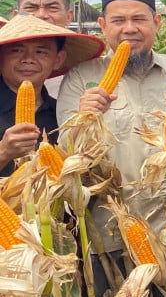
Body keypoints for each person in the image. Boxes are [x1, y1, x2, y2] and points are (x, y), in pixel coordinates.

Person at [57, 0, 166, 297]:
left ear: (156, 23)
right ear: (102, 26)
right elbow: (67, 155)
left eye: (139, 19)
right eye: (118, 20)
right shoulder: (82, 78)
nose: (129, 28)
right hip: (109, 232)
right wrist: (86, 118)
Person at [0, 15, 103, 176]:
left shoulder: (62, 114)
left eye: (41, 52)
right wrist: (4, 152)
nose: (28, 59)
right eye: (17, 50)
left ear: (58, 59)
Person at [17, 0, 77, 99]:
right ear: (16, 16)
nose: (41, 15)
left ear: (69, 16)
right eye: (31, 8)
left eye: (52, 8)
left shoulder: (81, 75)